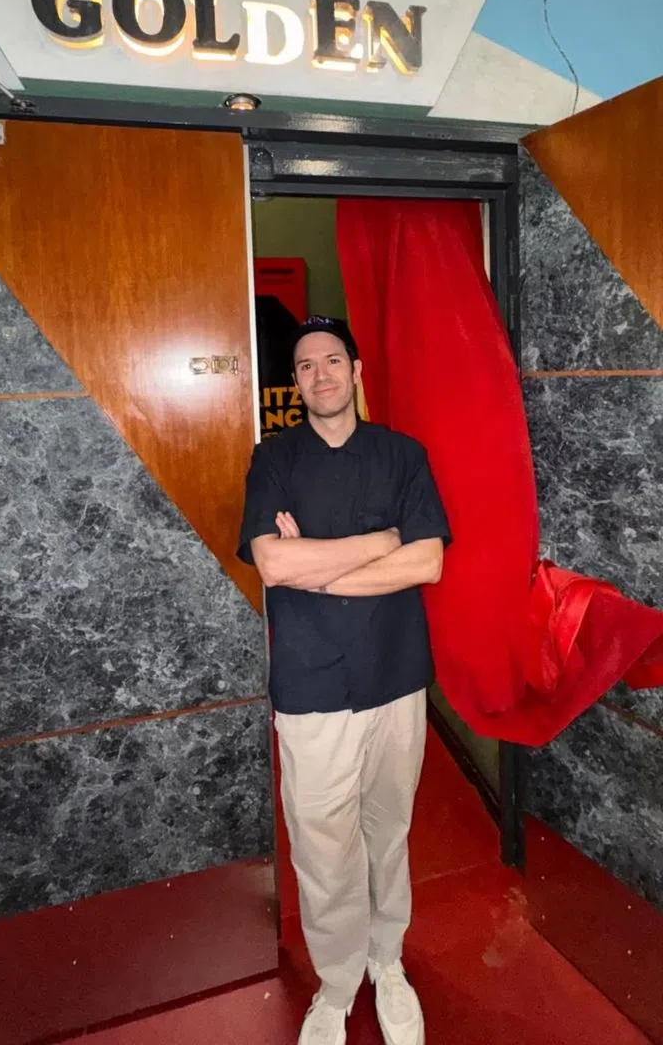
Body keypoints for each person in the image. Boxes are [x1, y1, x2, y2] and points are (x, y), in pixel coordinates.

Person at [238, 315, 451, 1045]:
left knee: (387, 832)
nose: (321, 375)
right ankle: (336, 984)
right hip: (311, 687)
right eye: (306, 366)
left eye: (333, 361)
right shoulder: (273, 459)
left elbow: (427, 562)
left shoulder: (402, 456)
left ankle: (386, 962)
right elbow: (273, 564)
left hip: (396, 677)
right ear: (295, 383)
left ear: (356, 372)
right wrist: (380, 542)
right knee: (322, 845)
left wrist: (320, 568)